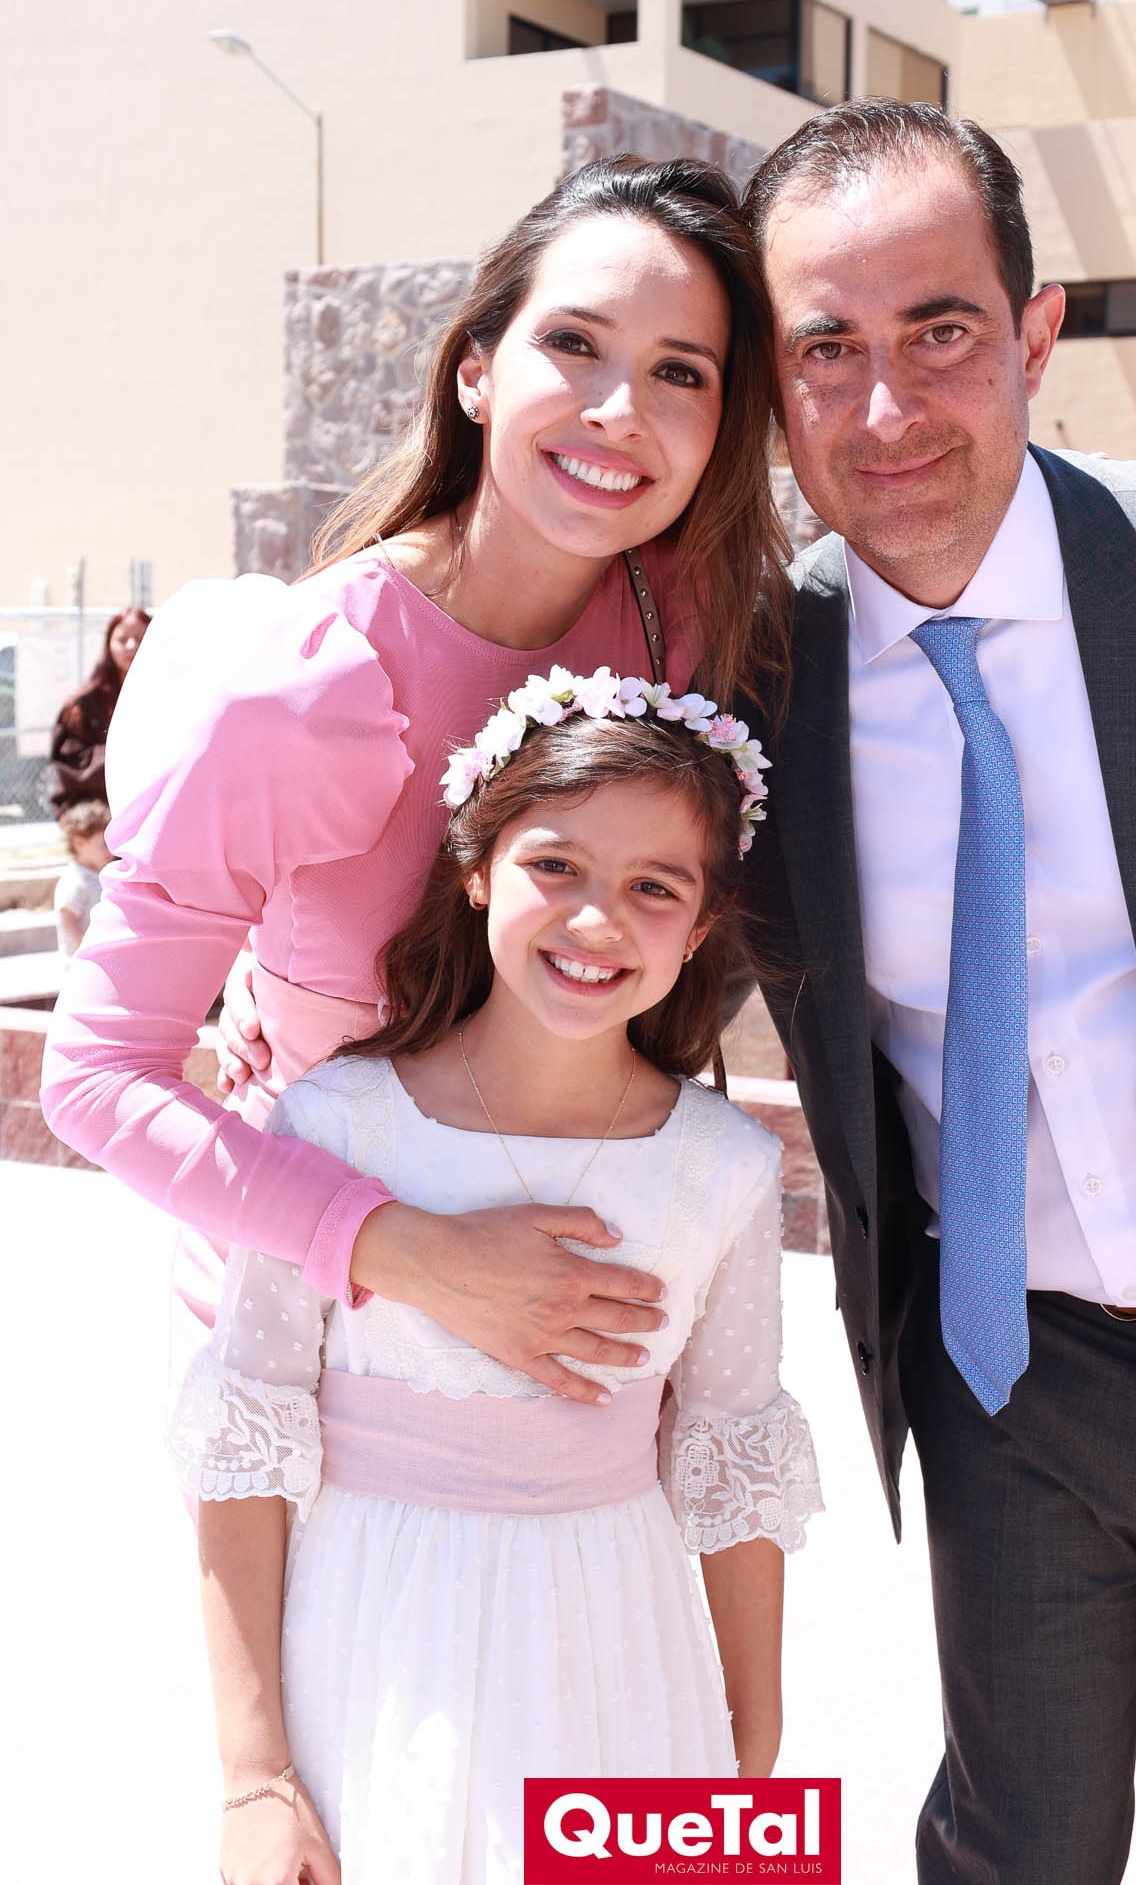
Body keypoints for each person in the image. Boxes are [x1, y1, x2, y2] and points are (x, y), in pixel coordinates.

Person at [734, 96, 1136, 1884]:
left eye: (939, 331)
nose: (886, 408)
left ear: (1034, 331)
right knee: (1011, 1852)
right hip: (1004, 1384)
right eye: (827, 349)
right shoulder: (758, 673)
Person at [41, 156, 790, 1399]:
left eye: (681, 372)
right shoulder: (294, 684)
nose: (620, 409)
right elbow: (96, 1075)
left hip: (592, 1337)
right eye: (574, 343)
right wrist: (415, 1254)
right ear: (476, 371)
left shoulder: (698, 632)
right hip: (310, 1351)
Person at [169, 671, 819, 1885]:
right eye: (555, 865)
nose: (597, 919)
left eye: (655, 886)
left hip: (621, 1657)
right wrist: (253, 1776)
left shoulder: (721, 1165)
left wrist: (750, 1753)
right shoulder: (336, 1121)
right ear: (476, 866)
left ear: (702, 925)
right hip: (373, 1644)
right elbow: (244, 1448)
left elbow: (733, 1458)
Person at [46, 605, 149, 814]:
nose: (132, 646)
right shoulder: (81, 706)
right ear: (109, 644)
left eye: (141, 638)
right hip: (96, 811)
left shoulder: (168, 695)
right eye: (122, 639)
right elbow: (73, 766)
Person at [52, 801, 112, 961]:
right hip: (79, 961)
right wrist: (87, 947)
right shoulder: (75, 881)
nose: (111, 850)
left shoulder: (95, 875)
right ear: (78, 843)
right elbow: (67, 918)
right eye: (104, 845)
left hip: (96, 957)